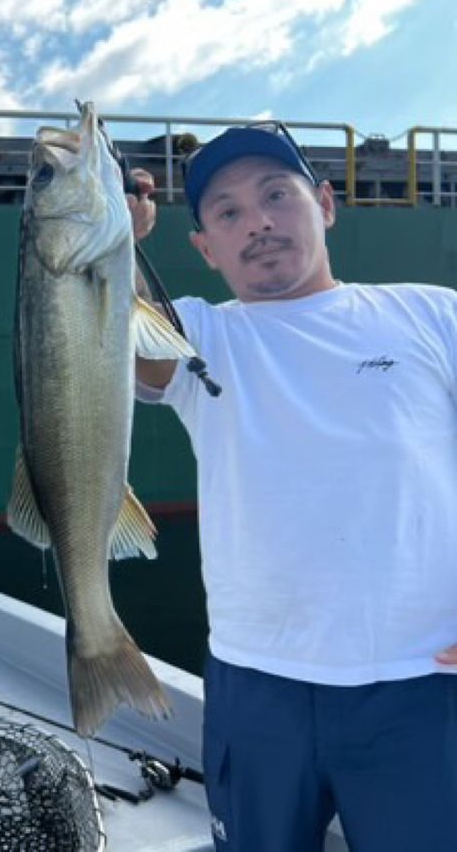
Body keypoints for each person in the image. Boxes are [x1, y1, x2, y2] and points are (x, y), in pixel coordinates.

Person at [132, 124, 457, 851]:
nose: (259, 222)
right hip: (257, 685)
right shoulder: (198, 336)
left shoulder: (434, 315)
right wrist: (109, 240)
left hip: (422, 685)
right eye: (229, 212)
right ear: (206, 249)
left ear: (326, 205)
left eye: (277, 195)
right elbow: (109, 345)